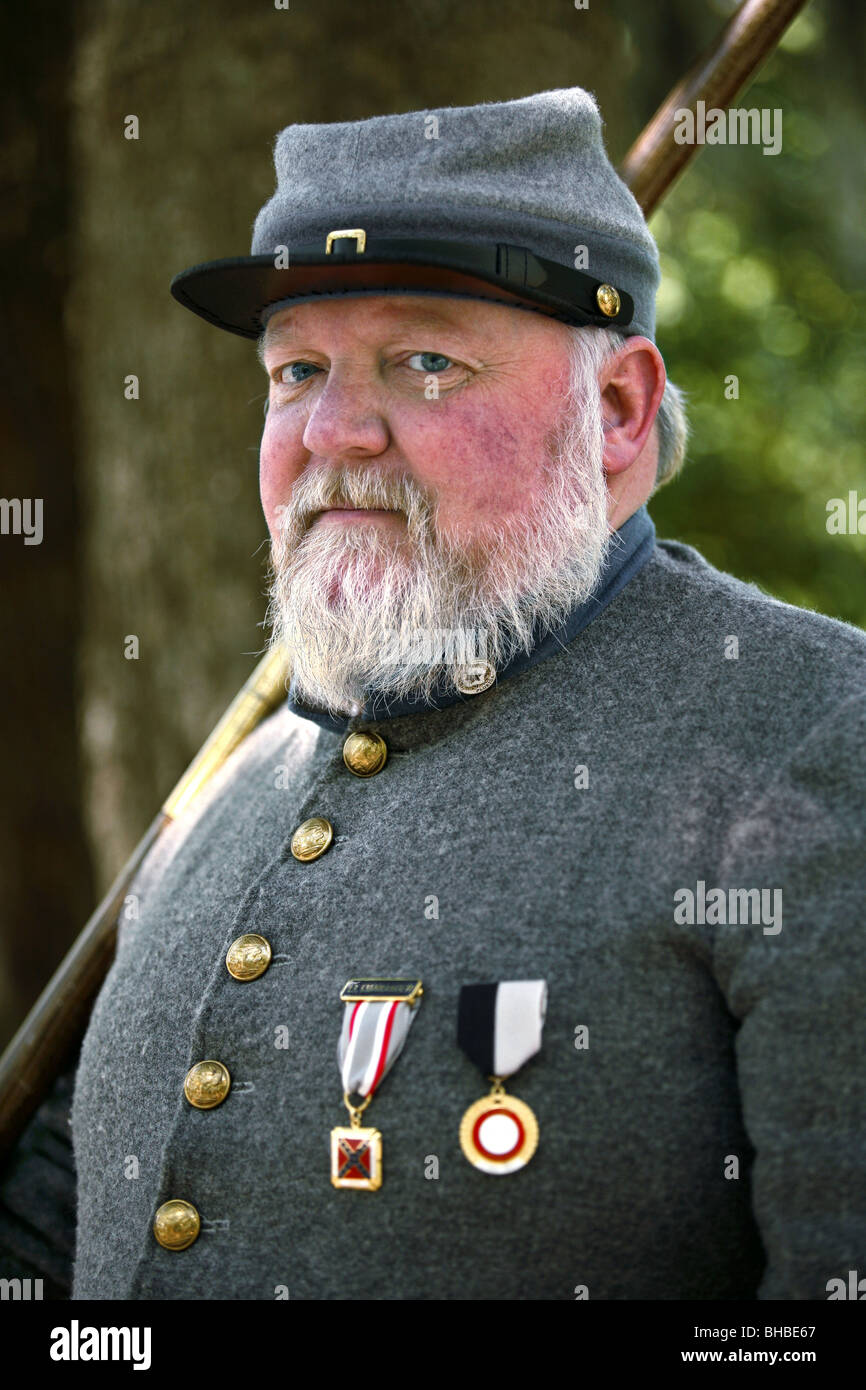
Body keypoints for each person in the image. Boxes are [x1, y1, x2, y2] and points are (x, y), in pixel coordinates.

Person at [2, 87, 864, 1301]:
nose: (336, 431)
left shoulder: (816, 732)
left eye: (423, 363)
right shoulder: (238, 779)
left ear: (614, 409)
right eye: (296, 369)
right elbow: (72, 1222)